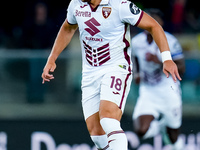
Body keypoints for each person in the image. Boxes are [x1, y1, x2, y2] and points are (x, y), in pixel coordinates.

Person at [41, 0, 181, 149]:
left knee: (108, 119)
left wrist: (166, 59)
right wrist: (52, 58)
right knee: (97, 135)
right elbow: (68, 28)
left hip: (116, 68)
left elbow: (153, 25)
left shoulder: (120, 5)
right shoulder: (75, 4)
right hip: (89, 73)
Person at [131, 8, 185, 150]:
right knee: (141, 130)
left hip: (168, 90)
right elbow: (135, 58)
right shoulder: (136, 42)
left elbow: (182, 68)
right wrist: (136, 74)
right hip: (148, 91)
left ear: (160, 23)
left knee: (173, 137)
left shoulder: (170, 40)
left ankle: (165, 128)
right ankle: (160, 125)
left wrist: (159, 61)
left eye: (155, 20)